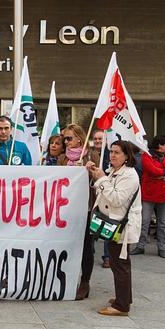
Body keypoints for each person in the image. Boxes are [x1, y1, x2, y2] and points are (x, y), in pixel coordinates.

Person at [87, 140, 141, 316]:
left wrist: (101, 178)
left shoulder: (130, 175)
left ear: (127, 156)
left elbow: (116, 199)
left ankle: (121, 306)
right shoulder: (114, 172)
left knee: (120, 265)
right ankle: (125, 297)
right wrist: (97, 175)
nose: (112, 155)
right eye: (111, 151)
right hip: (112, 224)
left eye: (117, 152)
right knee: (119, 263)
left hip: (121, 227)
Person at [57, 123, 99, 300]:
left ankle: (85, 281)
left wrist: (87, 170)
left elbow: (99, 179)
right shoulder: (62, 159)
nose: (66, 142)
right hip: (66, 208)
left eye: (69, 138)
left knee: (86, 246)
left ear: (80, 138)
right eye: (64, 139)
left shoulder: (92, 156)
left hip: (86, 207)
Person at [130, 135, 165, 258]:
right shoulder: (147, 155)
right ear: (160, 145)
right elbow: (151, 170)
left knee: (163, 223)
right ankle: (140, 246)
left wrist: (164, 174)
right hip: (149, 193)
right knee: (144, 221)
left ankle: (162, 248)